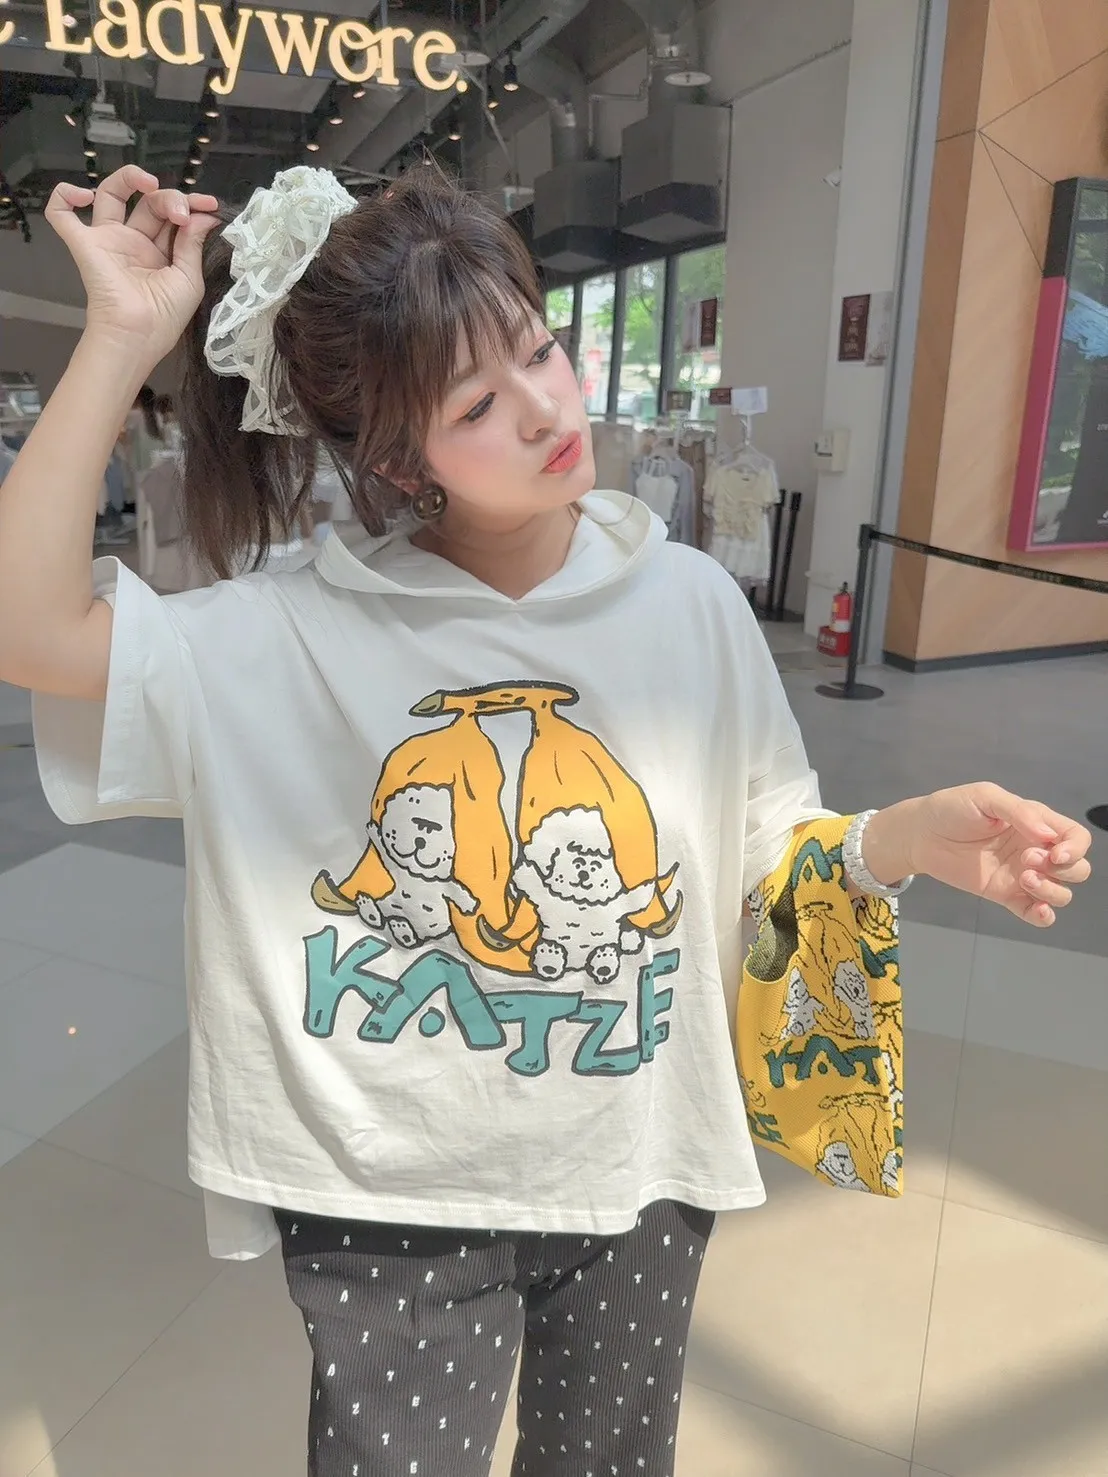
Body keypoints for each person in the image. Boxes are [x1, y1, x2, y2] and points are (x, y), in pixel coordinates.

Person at [0, 163, 1092, 1477]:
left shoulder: (688, 602)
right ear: (396, 457)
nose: (544, 409)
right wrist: (119, 341)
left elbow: (758, 852)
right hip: (384, 1192)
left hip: (633, 1163)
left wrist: (900, 839)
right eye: (476, 403)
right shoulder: (284, 634)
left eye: (540, 352)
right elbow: (30, 631)